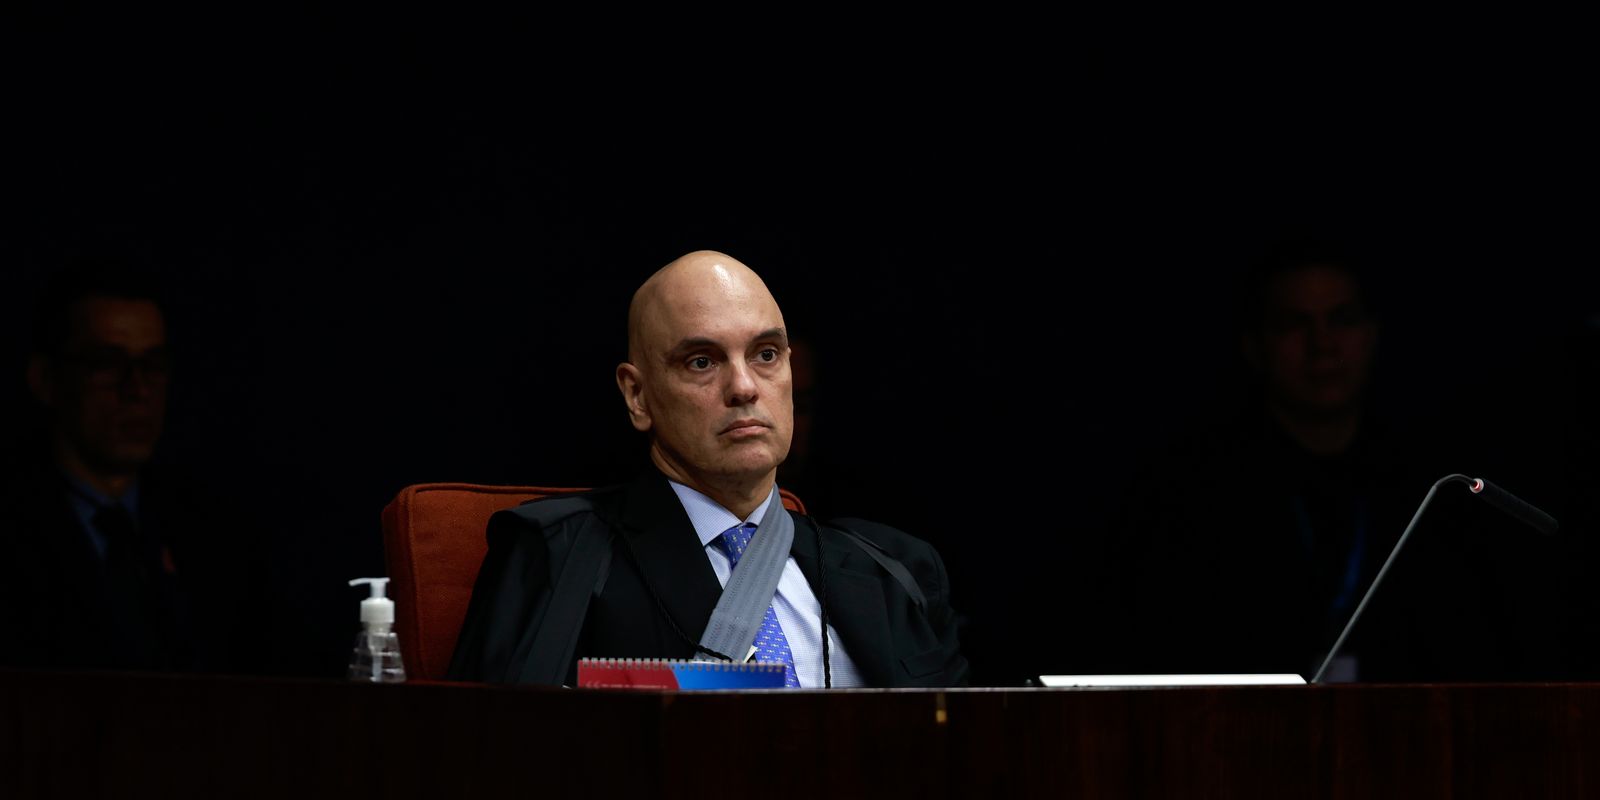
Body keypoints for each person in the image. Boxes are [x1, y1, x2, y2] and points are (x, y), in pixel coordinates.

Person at [448, 249, 969, 687]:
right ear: (637, 395)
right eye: (702, 361)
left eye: (766, 354)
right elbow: (501, 749)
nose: (744, 387)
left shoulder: (896, 569)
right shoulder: (560, 554)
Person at [0, 260, 269, 673]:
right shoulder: (15, 526)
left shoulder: (212, 532)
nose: (137, 389)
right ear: (46, 379)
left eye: (153, 365)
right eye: (107, 364)